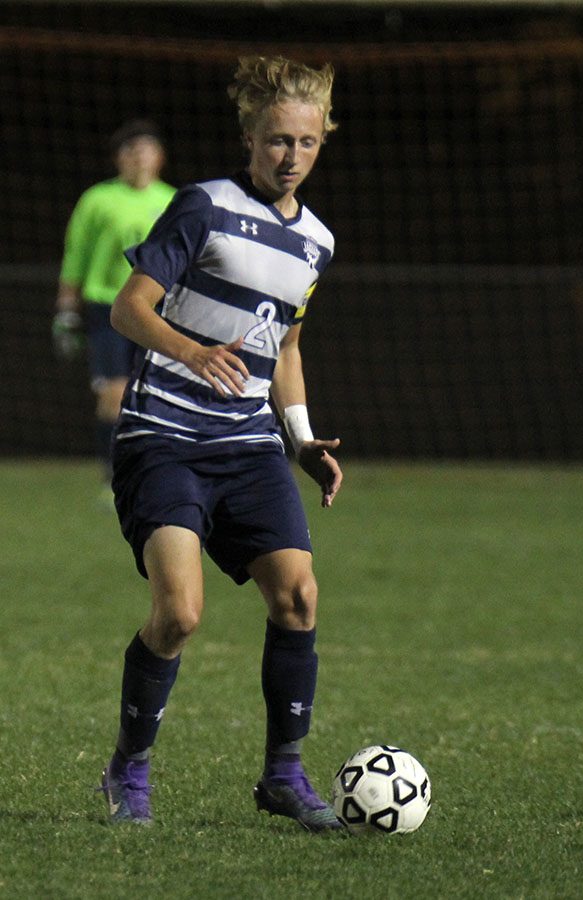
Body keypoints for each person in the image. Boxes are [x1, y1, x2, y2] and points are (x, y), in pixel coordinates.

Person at [101, 55, 343, 832]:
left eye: (306, 142)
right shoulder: (201, 206)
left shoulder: (316, 244)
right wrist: (190, 349)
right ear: (250, 137)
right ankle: (128, 770)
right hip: (163, 437)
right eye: (277, 140)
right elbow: (128, 308)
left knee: (299, 597)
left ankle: (283, 776)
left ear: (321, 142)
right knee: (178, 613)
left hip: (247, 445)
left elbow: (287, 351)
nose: (291, 156)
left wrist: (301, 441)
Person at [54, 120, 176, 499]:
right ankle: (111, 476)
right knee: (113, 393)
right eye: (130, 150)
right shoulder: (97, 199)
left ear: (160, 157)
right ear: (118, 158)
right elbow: (76, 255)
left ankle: (154, 471)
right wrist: (65, 311)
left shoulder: (175, 200)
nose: (139, 157)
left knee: (155, 394)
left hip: (157, 309)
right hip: (107, 307)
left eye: (146, 149)